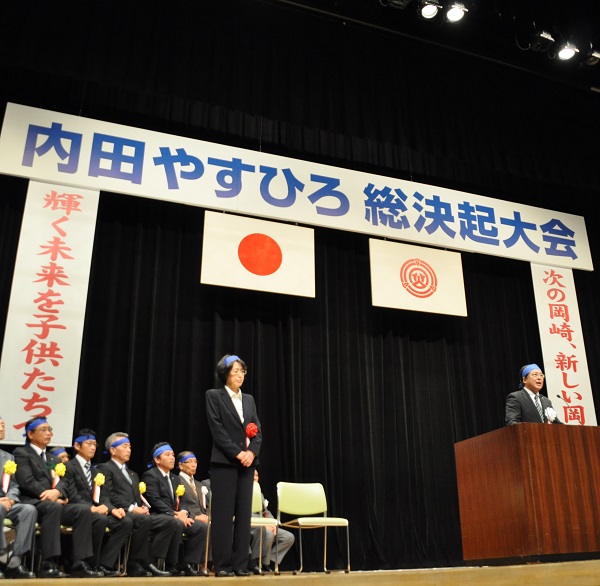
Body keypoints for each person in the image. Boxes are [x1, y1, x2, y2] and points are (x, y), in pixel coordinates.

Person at [13, 416, 103, 578]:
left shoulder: (53, 459)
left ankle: (78, 562)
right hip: (34, 502)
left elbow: (64, 482)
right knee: (53, 507)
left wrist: (58, 492)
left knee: (82, 510)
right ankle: (48, 562)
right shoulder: (22, 454)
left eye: (50, 430)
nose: (49, 433)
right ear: (31, 435)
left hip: (54, 502)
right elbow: (26, 480)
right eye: (44, 430)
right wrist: (48, 494)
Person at [205, 354, 262, 577]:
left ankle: (241, 564)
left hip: (247, 464)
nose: (240, 375)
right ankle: (222, 565)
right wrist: (239, 453)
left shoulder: (248, 399)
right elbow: (217, 430)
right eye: (236, 371)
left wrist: (251, 453)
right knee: (223, 515)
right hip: (225, 462)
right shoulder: (214, 396)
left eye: (243, 371)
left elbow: (257, 430)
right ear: (225, 374)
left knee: (243, 515)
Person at [97, 432, 175, 577]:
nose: (129, 450)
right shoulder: (105, 468)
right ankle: (133, 563)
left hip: (136, 513)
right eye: (125, 446)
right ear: (113, 450)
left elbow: (136, 497)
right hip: (120, 511)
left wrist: (142, 507)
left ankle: (149, 560)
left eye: (130, 446)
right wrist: (132, 508)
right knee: (141, 520)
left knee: (169, 521)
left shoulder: (133, 474)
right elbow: (109, 495)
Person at [65, 428, 134, 577]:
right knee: (99, 519)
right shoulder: (69, 467)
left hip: (96, 511)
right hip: (77, 509)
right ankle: (85, 562)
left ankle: (104, 563)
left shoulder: (95, 471)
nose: (92, 447)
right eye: (89, 443)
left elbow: (103, 496)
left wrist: (113, 509)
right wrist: (91, 508)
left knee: (125, 522)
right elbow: (72, 495)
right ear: (77, 446)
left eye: (95, 444)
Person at [141, 443, 207, 576]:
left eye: (172, 454)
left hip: (175, 517)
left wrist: (183, 512)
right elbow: (155, 500)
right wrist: (174, 514)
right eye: (167, 455)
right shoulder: (150, 476)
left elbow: (181, 501)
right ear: (157, 460)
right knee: (174, 523)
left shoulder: (175, 478)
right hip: (157, 515)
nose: (172, 458)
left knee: (200, 527)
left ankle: (187, 563)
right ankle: (156, 562)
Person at [0, 416, 37, 579]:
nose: (2, 428)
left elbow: (14, 484)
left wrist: (12, 498)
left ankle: (15, 562)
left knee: (28, 509)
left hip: (7, 502)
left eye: (3, 425)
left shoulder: (8, 457)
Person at [248, 469, 294, 574]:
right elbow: (242, 513)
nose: (255, 477)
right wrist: (264, 524)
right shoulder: (242, 491)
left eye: (257, 475)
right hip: (251, 521)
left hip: (262, 521)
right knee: (268, 533)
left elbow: (266, 511)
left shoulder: (259, 492)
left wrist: (272, 523)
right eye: (253, 475)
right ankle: (260, 563)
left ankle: (268, 560)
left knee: (288, 537)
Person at [176, 451, 211, 570]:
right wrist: (194, 516)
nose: (193, 464)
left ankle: (214, 563)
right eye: (189, 461)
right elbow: (179, 504)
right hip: (189, 517)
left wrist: (208, 515)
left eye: (195, 461)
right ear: (180, 465)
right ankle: (200, 564)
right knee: (203, 526)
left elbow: (206, 505)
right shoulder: (176, 481)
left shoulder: (200, 484)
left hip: (203, 517)